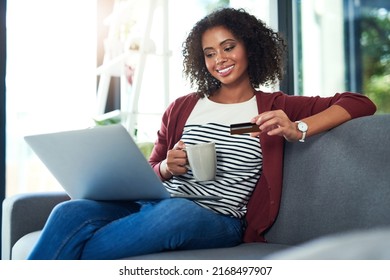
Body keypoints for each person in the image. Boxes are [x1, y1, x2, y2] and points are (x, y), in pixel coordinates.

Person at [27, 7, 376, 260]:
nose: (219, 59)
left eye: (228, 47)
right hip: (156, 204)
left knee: (174, 214)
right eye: (209, 53)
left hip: (217, 218)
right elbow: (149, 175)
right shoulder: (182, 107)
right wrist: (166, 167)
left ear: (250, 49)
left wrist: (297, 128)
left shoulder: (275, 105)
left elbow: (359, 102)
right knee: (68, 213)